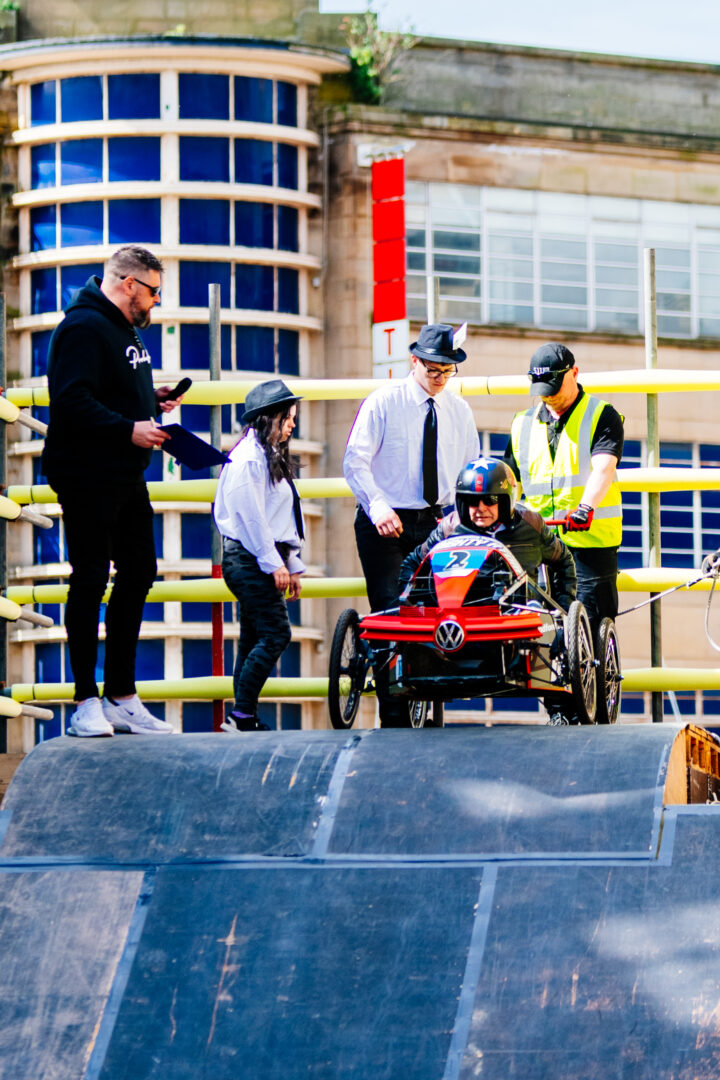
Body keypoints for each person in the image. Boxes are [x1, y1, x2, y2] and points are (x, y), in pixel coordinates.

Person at [42, 245, 184, 737]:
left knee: (140, 570)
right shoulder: (82, 327)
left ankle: (121, 695)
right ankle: (85, 701)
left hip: (124, 474)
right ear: (129, 284)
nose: (156, 303)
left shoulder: (123, 329)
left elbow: (109, 389)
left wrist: (151, 401)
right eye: (153, 292)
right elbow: (71, 400)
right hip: (86, 473)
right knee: (89, 579)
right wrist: (129, 427)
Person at [343, 322, 479, 726]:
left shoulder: (459, 410)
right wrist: (378, 506)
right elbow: (355, 461)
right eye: (433, 370)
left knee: (440, 611)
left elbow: (469, 468)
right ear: (414, 361)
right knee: (389, 612)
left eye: (448, 371)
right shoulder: (383, 402)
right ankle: (394, 717)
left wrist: (463, 516)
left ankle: (432, 701)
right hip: (386, 522)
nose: (439, 379)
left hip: (438, 522)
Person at [399, 457, 577, 725]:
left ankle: (561, 710)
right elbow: (413, 563)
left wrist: (564, 611)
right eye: (472, 501)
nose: (480, 508)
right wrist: (409, 602)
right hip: (458, 616)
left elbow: (564, 562)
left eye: (490, 500)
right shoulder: (449, 527)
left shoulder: (531, 525)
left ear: (505, 500)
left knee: (546, 624)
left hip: (517, 616)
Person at [505, 342, 624, 638]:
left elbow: (604, 467)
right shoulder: (522, 423)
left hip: (589, 542)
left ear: (574, 373)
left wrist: (585, 508)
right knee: (536, 625)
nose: (548, 395)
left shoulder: (602, 415)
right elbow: (510, 481)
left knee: (592, 625)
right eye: (541, 389)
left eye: (554, 387)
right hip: (539, 541)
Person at [213, 379, 305, 733]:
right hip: (250, 559)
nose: (293, 425)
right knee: (276, 635)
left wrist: (290, 564)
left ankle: (243, 717)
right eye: (288, 418)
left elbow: (279, 519)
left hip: (258, 558)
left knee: (254, 638)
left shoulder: (265, 457)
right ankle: (241, 715)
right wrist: (276, 564)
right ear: (270, 418)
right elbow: (251, 520)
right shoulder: (248, 461)